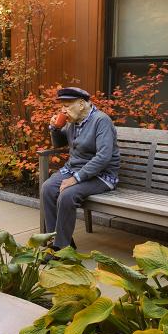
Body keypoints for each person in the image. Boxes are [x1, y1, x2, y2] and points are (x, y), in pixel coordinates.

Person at [41, 87, 120, 250]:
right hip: (74, 169)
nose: (64, 110)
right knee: (47, 189)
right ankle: (60, 242)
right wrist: (54, 129)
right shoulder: (73, 122)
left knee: (67, 195)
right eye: (62, 106)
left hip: (101, 175)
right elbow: (59, 144)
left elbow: (104, 157)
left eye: (67, 105)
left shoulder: (101, 121)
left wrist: (75, 179)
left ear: (82, 104)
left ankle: (59, 249)